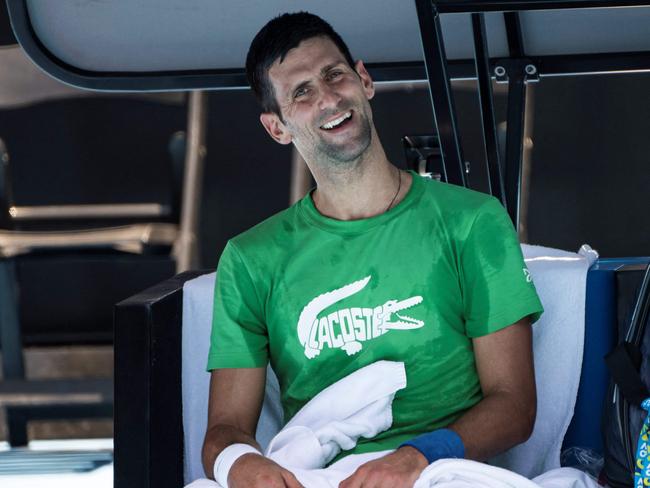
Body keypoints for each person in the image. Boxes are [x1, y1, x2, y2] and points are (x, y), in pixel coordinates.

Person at [201, 11, 543, 488]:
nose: (327, 98)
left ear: (363, 80)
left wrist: (416, 459)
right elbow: (225, 430)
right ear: (276, 128)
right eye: (301, 92)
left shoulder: (473, 221)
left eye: (334, 75)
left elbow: (515, 406)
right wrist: (243, 465)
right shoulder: (249, 258)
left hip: (444, 475)